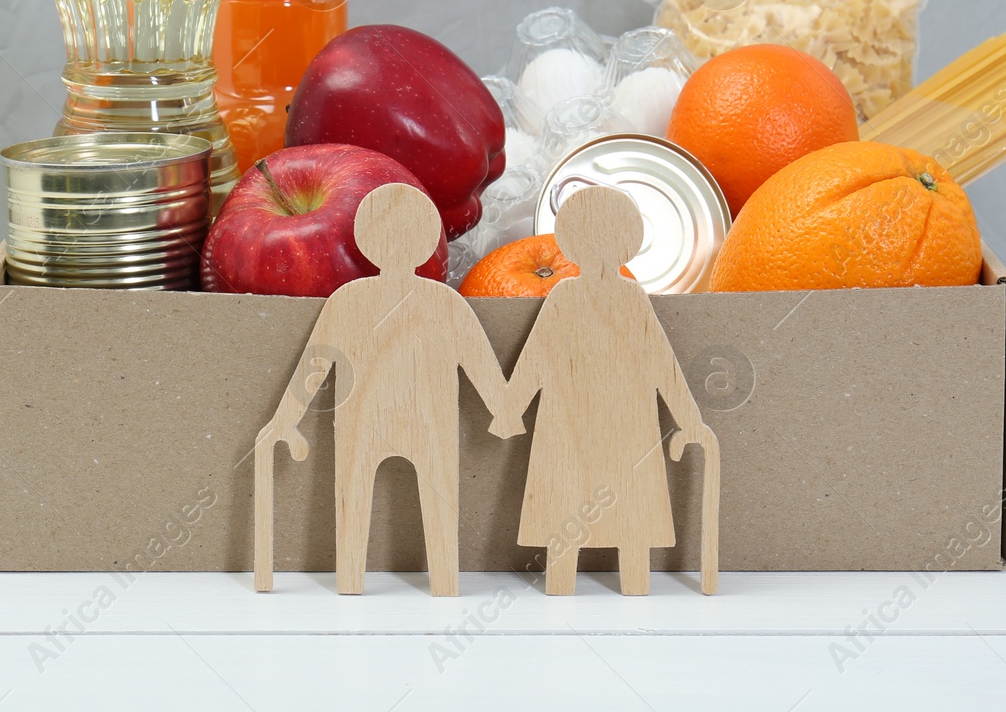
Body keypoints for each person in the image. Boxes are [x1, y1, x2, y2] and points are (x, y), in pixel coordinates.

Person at [254, 183, 518, 596]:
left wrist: (286, 419)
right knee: (389, 498)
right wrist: (504, 410)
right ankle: (414, 581)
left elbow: (315, 365)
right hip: (388, 420)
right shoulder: (433, 302)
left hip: (397, 420)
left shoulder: (367, 300)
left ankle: (379, 581)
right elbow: (316, 363)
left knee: (378, 498)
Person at [498, 185, 719, 595]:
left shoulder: (626, 298)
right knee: (578, 500)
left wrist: (690, 420)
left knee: (622, 505)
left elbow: (660, 363)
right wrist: (510, 407)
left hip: (614, 422)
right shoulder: (574, 296)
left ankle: (630, 581)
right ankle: (580, 582)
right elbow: (538, 355)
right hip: (582, 421)